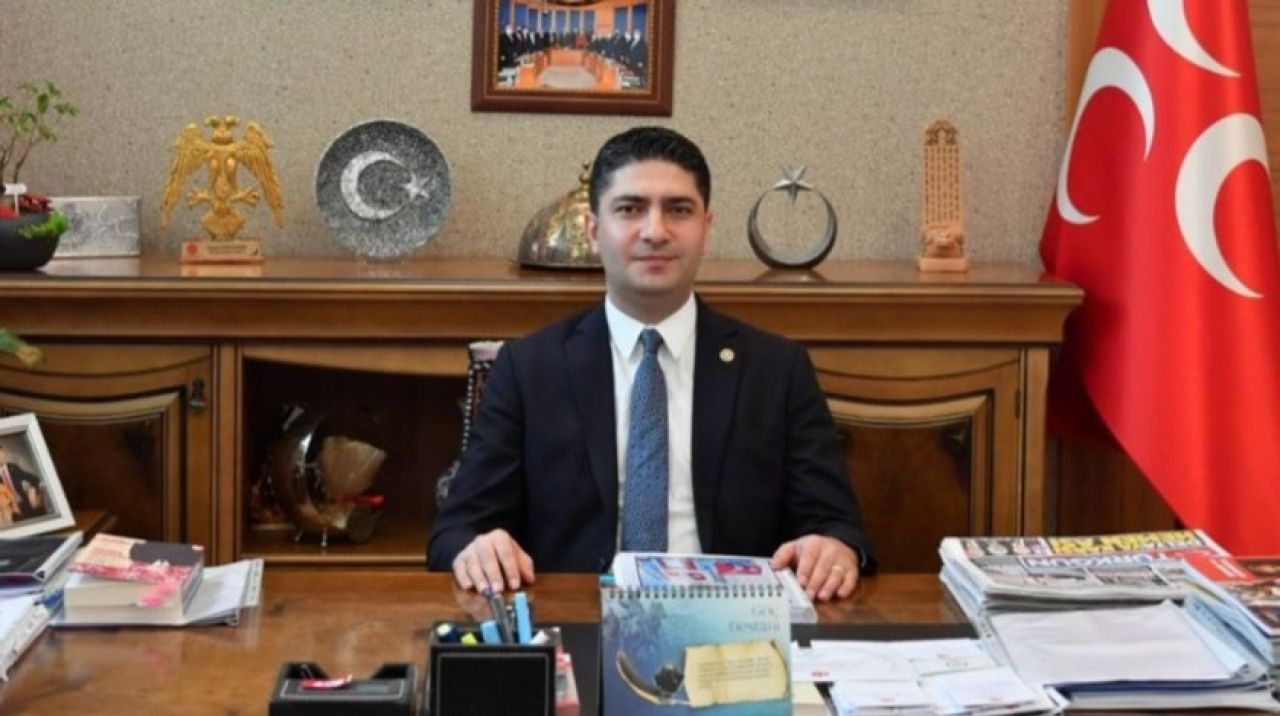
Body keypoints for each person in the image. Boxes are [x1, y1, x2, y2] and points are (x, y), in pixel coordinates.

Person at [428, 127, 873, 602]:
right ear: (594, 231)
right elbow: (457, 530)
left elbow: (837, 525)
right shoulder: (529, 368)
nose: (655, 231)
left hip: (732, 622)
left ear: (706, 229)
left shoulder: (777, 370)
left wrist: (833, 548)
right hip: (579, 618)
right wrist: (476, 548)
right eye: (630, 209)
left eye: (678, 210)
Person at [0, 441, 45, 521]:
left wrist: (32, 490)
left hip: (23, 502)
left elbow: (34, 479)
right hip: (8, 507)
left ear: (3, 453)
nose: (0, 457)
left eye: (1, 453)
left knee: (39, 513)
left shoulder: (13, 467)